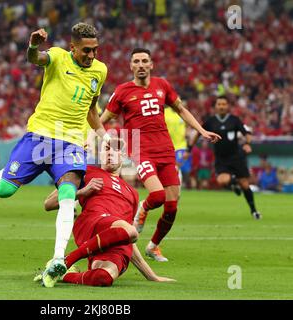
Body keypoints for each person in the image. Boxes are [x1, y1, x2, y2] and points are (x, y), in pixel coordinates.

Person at [0, 23, 111, 286]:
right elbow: (35, 58)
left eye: (95, 50)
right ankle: (2, 175)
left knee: (67, 196)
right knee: (4, 191)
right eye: (86, 50)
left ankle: (58, 259)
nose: (91, 56)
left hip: (72, 142)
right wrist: (32, 45)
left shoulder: (100, 70)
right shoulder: (58, 56)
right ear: (72, 47)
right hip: (40, 135)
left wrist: (105, 137)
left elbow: (92, 108)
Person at [100, 48, 221, 261]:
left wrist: (201, 131)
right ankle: (142, 210)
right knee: (157, 196)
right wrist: (88, 137)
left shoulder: (162, 85)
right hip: (141, 150)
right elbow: (103, 119)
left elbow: (181, 110)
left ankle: (153, 246)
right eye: (136, 61)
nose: (140, 65)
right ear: (131, 66)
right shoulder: (122, 91)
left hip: (166, 150)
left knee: (172, 207)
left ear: (151, 64)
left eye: (144, 61)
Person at [37, 139, 175, 287]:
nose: (110, 153)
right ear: (100, 154)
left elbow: (127, 236)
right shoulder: (86, 172)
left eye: (115, 150)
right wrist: (84, 191)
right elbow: (49, 204)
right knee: (130, 230)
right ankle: (66, 260)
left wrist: (151, 276)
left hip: (113, 241)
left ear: (122, 155)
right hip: (92, 223)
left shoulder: (133, 193)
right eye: (107, 149)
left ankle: (63, 273)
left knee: (103, 277)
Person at [187, 96, 262, 219]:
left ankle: (254, 211)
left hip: (236, 157)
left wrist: (248, 144)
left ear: (227, 106)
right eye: (219, 104)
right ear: (215, 106)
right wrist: (189, 148)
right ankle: (234, 184)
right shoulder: (211, 121)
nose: (221, 106)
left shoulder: (234, 120)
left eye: (224, 104)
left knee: (245, 185)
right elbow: (197, 132)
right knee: (222, 181)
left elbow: (247, 133)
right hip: (221, 159)